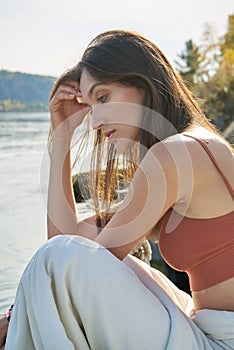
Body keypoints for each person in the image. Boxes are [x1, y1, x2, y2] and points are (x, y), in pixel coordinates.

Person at [2, 30, 234, 349]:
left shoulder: (178, 153)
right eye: (89, 105)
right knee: (62, 254)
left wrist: (16, 317)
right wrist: (62, 137)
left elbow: (73, 267)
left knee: (56, 259)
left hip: (223, 339)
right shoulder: (187, 149)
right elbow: (70, 239)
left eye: (103, 98)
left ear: (144, 85)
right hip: (207, 325)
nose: (95, 121)